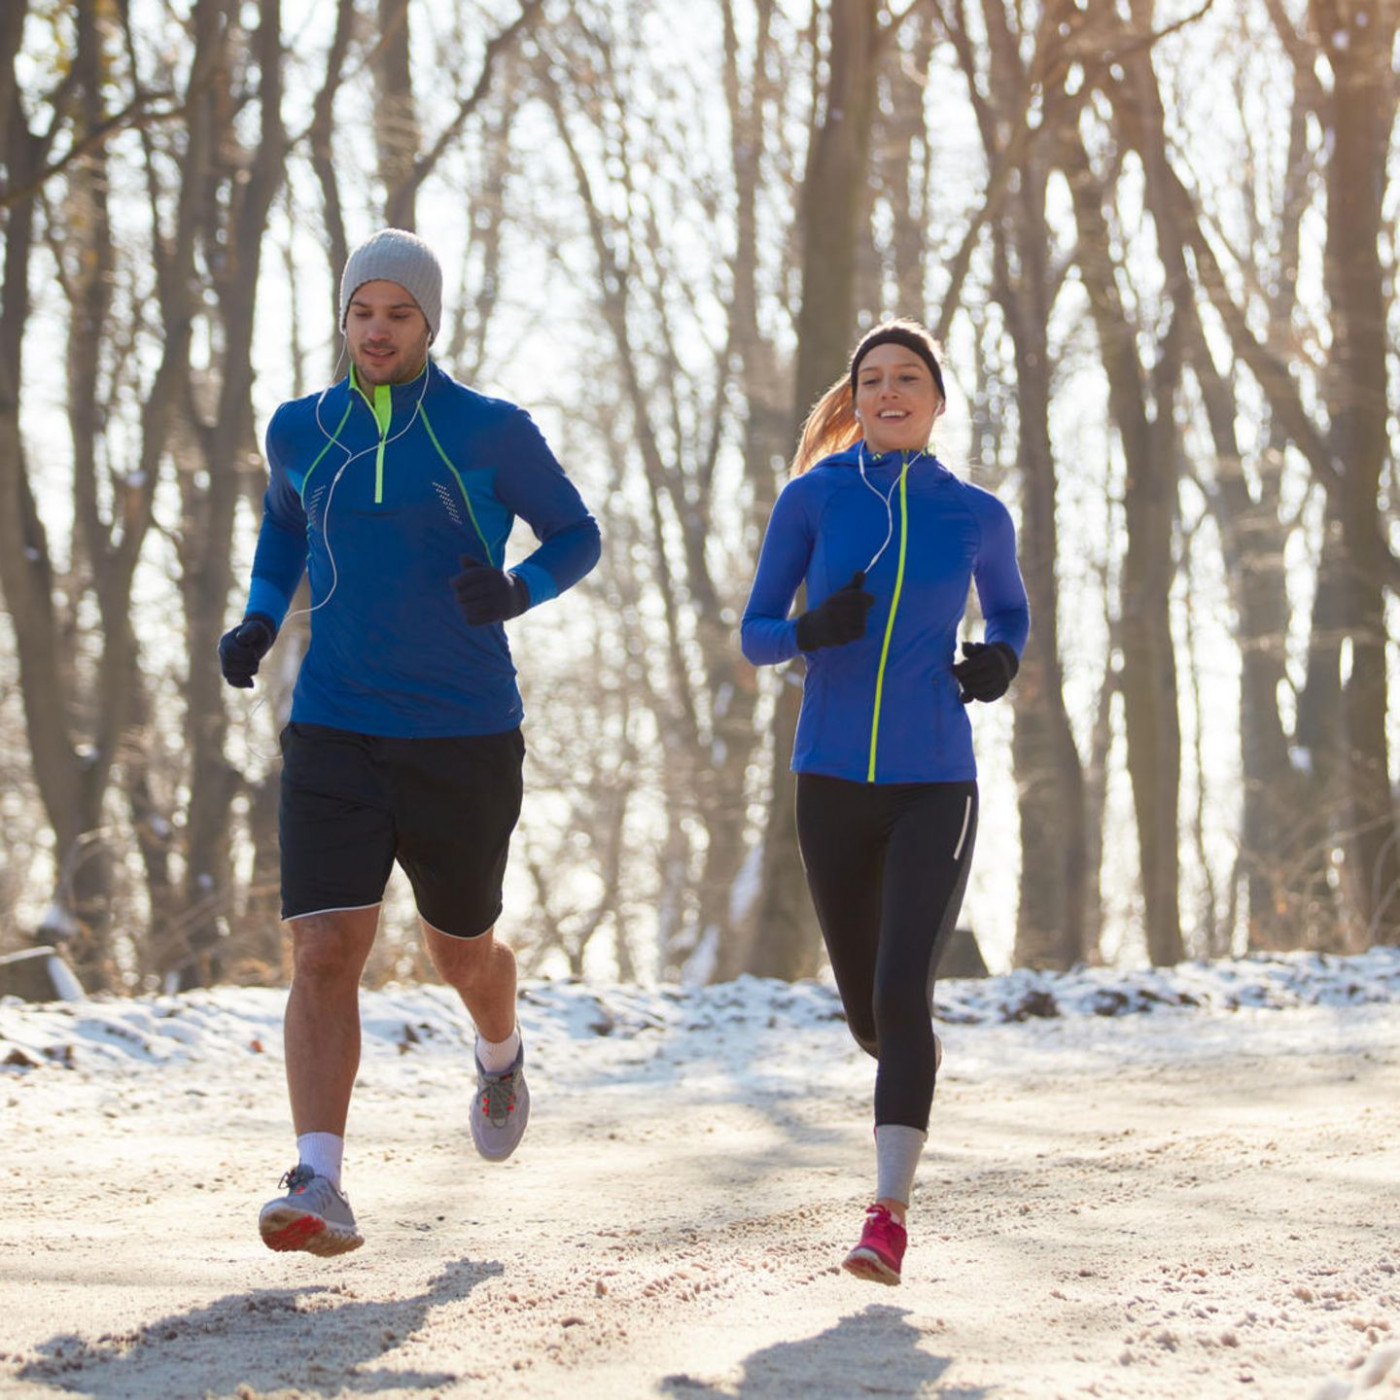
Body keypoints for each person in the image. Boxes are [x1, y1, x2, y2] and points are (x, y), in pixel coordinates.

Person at [219, 228, 600, 1256]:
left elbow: (578, 534)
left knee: (459, 950)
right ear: (342, 318)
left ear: (429, 323)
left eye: (398, 314)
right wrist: (260, 618)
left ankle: (499, 1046)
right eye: (362, 312)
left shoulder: (490, 430)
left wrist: (519, 587)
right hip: (335, 723)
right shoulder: (301, 427)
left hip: (461, 731)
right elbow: (284, 525)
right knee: (323, 948)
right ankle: (318, 1178)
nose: (377, 331)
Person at [740, 319, 1028, 1285]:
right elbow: (754, 632)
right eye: (873, 379)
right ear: (855, 399)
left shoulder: (976, 514)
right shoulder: (813, 498)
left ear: (938, 402)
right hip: (829, 781)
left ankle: (887, 1216)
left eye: (909, 378)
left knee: (903, 995)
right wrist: (808, 629)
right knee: (872, 1016)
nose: (890, 391)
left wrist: (1001, 659)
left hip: (936, 782)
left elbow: (1011, 610)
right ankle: (909, 1057)